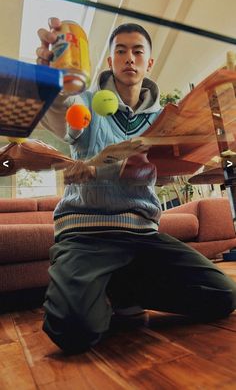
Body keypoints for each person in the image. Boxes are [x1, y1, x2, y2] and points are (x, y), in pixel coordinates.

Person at [36, 18, 236, 354]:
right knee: (73, 331)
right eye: (121, 51)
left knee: (223, 296)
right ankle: (89, 283)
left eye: (138, 51)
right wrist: (48, 78)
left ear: (149, 62)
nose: (130, 58)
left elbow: (170, 172)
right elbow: (61, 113)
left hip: (143, 238)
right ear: (111, 60)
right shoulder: (83, 101)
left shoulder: (165, 119)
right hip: (87, 237)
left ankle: (122, 287)